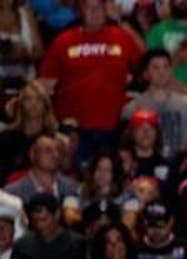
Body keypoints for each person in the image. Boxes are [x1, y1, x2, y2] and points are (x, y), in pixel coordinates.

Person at [37, 0, 143, 162]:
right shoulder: (63, 41)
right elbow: (45, 83)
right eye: (88, 7)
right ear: (80, 11)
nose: (94, 12)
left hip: (112, 127)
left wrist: (122, 22)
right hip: (74, 129)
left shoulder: (122, 37)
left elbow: (146, 62)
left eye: (98, 8)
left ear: (106, 10)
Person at [121, 50, 187, 159]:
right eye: (155, 68)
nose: (161, 72)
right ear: (145, 74)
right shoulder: (132, 109)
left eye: (166, 67)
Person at [13, 192, 85, 259]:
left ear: (57, 215)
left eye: (44, 219)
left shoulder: (77, 244)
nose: (39, 225)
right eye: (35, 220)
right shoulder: (22, 246)